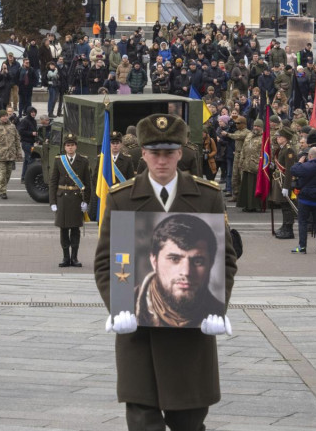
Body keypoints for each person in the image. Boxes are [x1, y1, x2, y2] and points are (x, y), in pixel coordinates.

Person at [95, 112, 237, 431]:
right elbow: (107, 263)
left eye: (169, 152)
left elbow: (226, 260)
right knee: (143, 420)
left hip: (191, 335)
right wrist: (118, 307)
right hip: (139, 335)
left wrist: (218, 308)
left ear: (180, 153)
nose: (162, 160)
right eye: (155, 152)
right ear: (142, 153)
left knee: (188, 420)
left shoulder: (207, 197)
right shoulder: (122, 199)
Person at [135, 214, 226, 328]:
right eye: (174, 259)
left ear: (211, 263)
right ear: (154, 261)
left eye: (197, 261)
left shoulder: (218, 312)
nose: (186, 272)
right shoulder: (127, 306)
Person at [49, 133, 91, 268]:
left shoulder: (83, 161)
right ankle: (65, 257)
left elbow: (87, 182)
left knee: (75, 230)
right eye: (68, 145)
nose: (70, 148)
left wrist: (86, 201)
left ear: (76, 146)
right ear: (65, 147)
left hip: (77, 198)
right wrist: (53, 202)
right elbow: (53, 182)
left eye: (72, 145)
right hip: (62, 199)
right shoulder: (59, 160)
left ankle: (75, 257)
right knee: (63, 229)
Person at [290, 147, 316, 253]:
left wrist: (299, 162)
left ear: (310, 156)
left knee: (303, 222)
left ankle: (302, 246)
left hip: (305, 198)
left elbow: (293, 170)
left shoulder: (305, 167)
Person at [0, 109, 22, 200]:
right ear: (0, 117)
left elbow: (17, 140)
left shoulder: (12, 126)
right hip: (0, 155)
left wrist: (19, 153)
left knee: (8, 175)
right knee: (2, 174)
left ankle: (0, 187)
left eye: (6, 116)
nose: (5, 117)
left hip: (11, 155)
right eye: (3, 116)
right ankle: (3, 192)